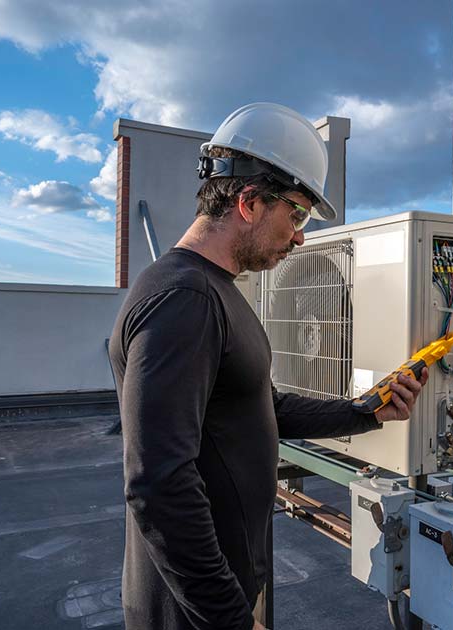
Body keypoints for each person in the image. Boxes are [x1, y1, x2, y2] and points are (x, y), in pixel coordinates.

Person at [108, 103, 427, 630]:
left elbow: (262, 406)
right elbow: (157, 482)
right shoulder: (185, 298)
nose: (301, 235)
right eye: (297, 214)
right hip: (192, 614)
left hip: (219, 597)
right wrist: (230, 617)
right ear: (250, 201)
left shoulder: (213, 291)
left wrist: (367, 413)